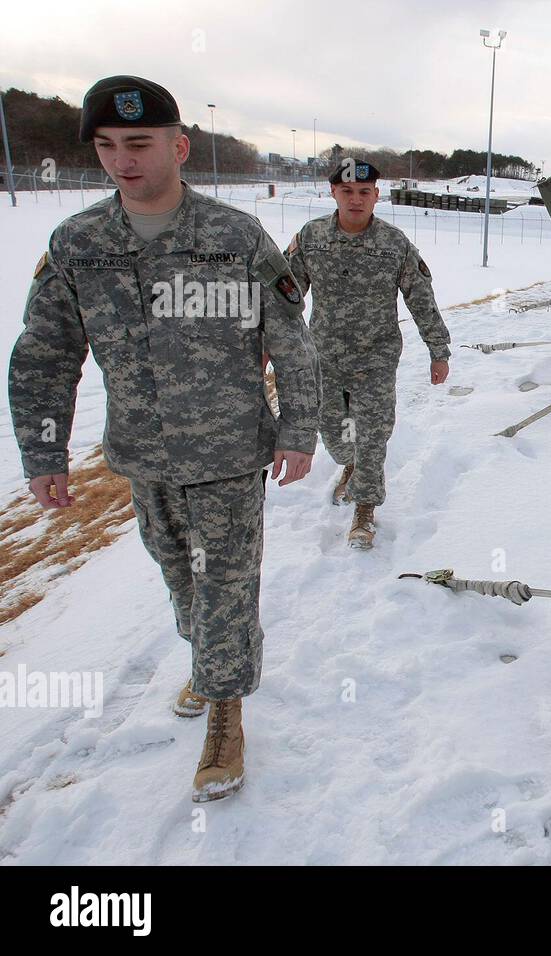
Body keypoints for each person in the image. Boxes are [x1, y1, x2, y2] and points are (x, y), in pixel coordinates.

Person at [7, 75, 321, 802]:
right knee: (181, 577)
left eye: (140, 144)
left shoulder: (234, 237)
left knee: (226, 586)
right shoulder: (78, 242)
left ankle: (225, 713)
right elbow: (46, 354)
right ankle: (212, 663)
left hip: (230, 452)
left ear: (179, 145)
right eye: (109, 146)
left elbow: (292, 341)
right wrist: (44, 453)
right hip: (143, 457)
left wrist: (298, 431)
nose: (123, 161)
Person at [285, 159, 450, 548]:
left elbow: (421, 298)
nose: (356, 200)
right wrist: (269, 344)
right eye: (347, 192)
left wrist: (438, 350)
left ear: (376, 195)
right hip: (325, 357)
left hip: (376, 359)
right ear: (334, 194)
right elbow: (286, 294)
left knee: (372, 435)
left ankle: (365, 509)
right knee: (336, 434)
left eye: (364, 192)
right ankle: (350, 464)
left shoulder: (394, 245)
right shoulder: (311, 237)